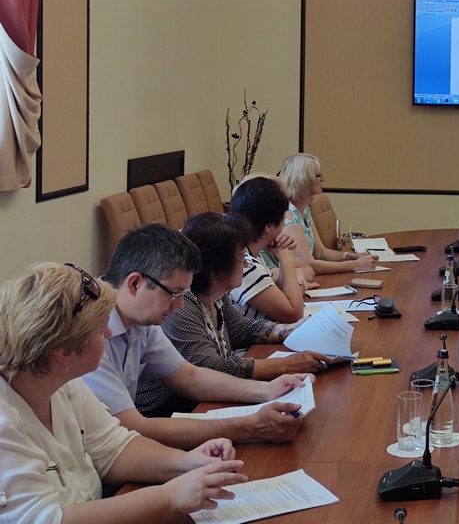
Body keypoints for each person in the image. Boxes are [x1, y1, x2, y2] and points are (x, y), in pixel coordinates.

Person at [0, 262, 247, 523]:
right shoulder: (6, 423)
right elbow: (47, 519)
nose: (109, 333)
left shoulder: (62, 382)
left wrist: (187, 462)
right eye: (100, 330)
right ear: (64, 353)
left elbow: (114, 448)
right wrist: (169, 497)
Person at [81, 223, 310, 450]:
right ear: (134, 284)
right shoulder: (89, 333)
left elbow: (189, 377)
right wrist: (250, 426)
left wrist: (266, 391)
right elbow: (131, 427)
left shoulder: (141, 319)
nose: (180, 305)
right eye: (174, 294)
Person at [138, 213, 330, 417]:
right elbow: (209, 365)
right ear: (216, 269)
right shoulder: (181, 304)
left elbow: (240, 329)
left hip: (203, 399)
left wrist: (286, 331)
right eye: (241, 259)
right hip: (169, 410)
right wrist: (286, 365)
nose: (246, 265)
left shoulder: (215, 294)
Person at [280, 153, 378, 280]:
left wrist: (350, 256)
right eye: (319, 175)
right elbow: (311, 265)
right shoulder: (289, 216)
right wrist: (356, 265)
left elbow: (321, 252)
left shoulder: (305, 209)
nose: (323, 178)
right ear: (304, 179)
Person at [228, 175, 307, 322]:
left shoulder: (251, 254)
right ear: (268, 227)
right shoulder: (245, 265)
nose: (284, 222)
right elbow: (294, 315)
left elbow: (282, 296)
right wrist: (287, 259)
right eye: (283, 218)